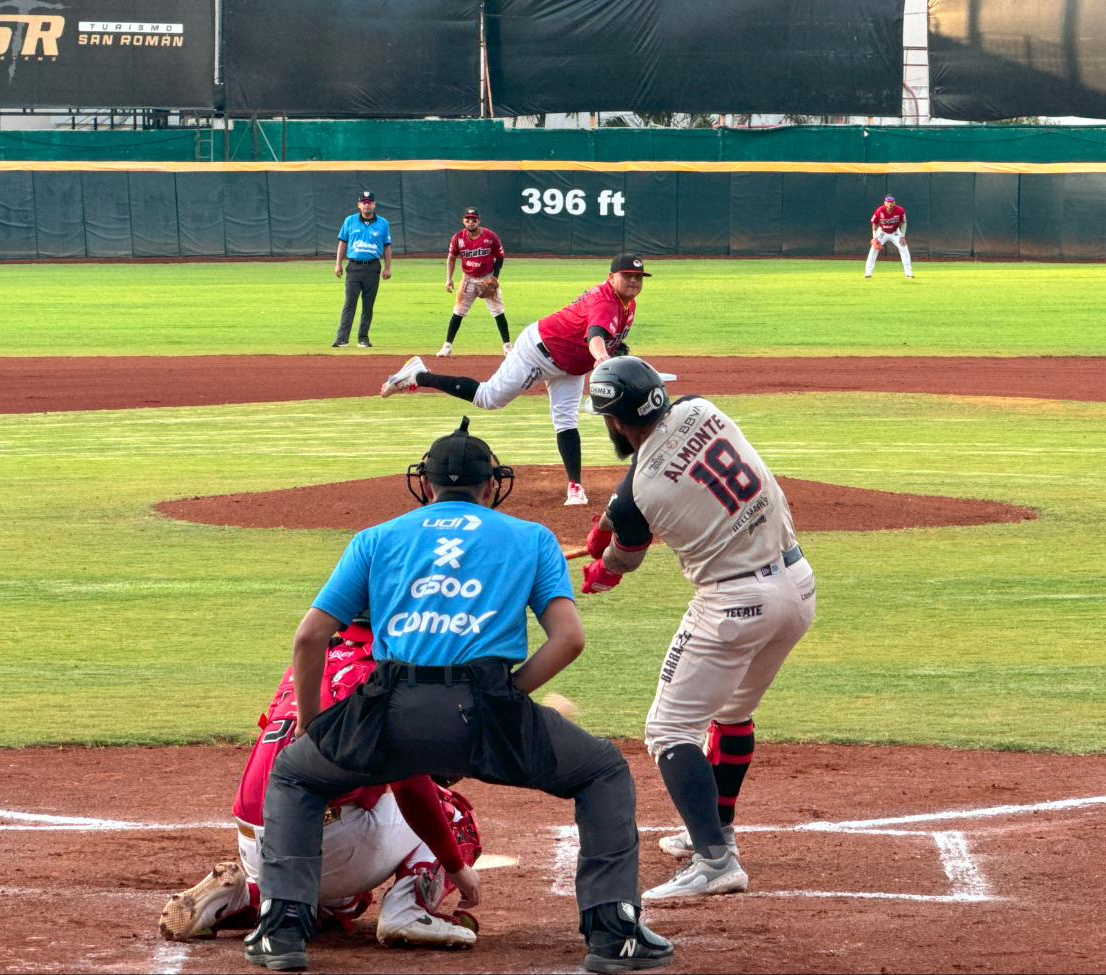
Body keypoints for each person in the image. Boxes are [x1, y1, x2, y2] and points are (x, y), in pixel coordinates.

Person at [243, 418, 672, 973]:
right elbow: (569, 640)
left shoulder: (375, 538)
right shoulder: (533, 538)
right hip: (487, 708)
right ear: (491, 486)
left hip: (389, 709)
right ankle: (614, 935)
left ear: (426, 485)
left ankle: (282, 933)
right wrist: (507, 695)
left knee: (296, 776)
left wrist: (315, 727)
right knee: (603, 773)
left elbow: (309, 638)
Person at [577, 356, 816, 901]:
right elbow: (638, 478)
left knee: (668, 731)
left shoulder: (643, 493)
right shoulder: (701, 409)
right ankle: (717, 830)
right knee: (732, 713)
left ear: (614, 420)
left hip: (734, 604)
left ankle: (715, 861)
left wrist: (603, 565)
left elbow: (626, 560)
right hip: (797, 587)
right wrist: (608, 519)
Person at [158, 613, 482, 949]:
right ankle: (408, 910)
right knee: (451, 811)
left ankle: (248, 894)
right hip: (323, 841)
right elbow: (411, 787)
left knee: (349, 902)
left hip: (256, 842)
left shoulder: (313, 659)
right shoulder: (389, 671)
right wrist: (456, 868)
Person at [379, 254, 650, 508]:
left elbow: (601, 333)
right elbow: (595, 335)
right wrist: (602, 356)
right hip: (539, 351)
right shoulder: (605, 301)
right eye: (628, 276)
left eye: (638, 277)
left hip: (571, 364)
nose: (634, 282)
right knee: (488, 398)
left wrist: (611, 350)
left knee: (566, 420)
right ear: (611, 276)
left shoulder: (627, 302)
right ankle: (419, 375)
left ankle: (575, 486)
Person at [440, 207, 511, 358]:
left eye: (474, 220)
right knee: (458, 311)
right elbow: (451, 258)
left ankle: (507, 346)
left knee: (498, 311)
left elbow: (500, 257)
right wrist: (449, 279)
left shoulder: (490, 236)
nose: (471, 223)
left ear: (479, 220)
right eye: (467, 220)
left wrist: (494, 277)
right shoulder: (458, 238)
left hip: (487, 277)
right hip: (468, 279)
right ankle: (447, 346)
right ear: (463, 221)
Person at [333, 191, 392, 349]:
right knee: (349, 303)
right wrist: (338, 264)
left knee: (368, 305)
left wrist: (387, 268)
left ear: (374, 204)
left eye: (369, 201)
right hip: (354, 266)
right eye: (364, 202)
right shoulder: (350, 221)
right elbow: (342, 243)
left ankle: (363, 338)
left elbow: (387, 246)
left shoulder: (382, 223)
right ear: (359, 204)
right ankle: (342, 338)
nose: (367, 204)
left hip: (372, 266)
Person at [865, 195, 913, 279]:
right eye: (888, 202)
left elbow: (903, 223)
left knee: (904, 248)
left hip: (895, 232)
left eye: (891, 202)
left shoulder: (900, 210)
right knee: (873, 249)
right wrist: (875, 237)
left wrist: (902, 236)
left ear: (894, 202)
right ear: (884, 203)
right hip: (882, 232)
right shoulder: (880, 210)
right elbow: (875, 224)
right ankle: (868, 272)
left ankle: (908, 272)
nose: (890, 204)